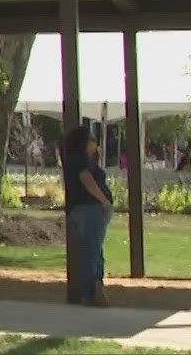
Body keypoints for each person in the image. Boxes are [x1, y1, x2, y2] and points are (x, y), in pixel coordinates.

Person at [63, 124, 115, 307]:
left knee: (93, 250)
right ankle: (92, 290)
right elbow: (87, 179)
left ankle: (94, 288)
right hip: (90, 209)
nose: (96, 144)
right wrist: (104, 200)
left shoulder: (76, 159)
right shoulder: (81, 161)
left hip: (81, 209)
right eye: (93, 140)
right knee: (92, 252)